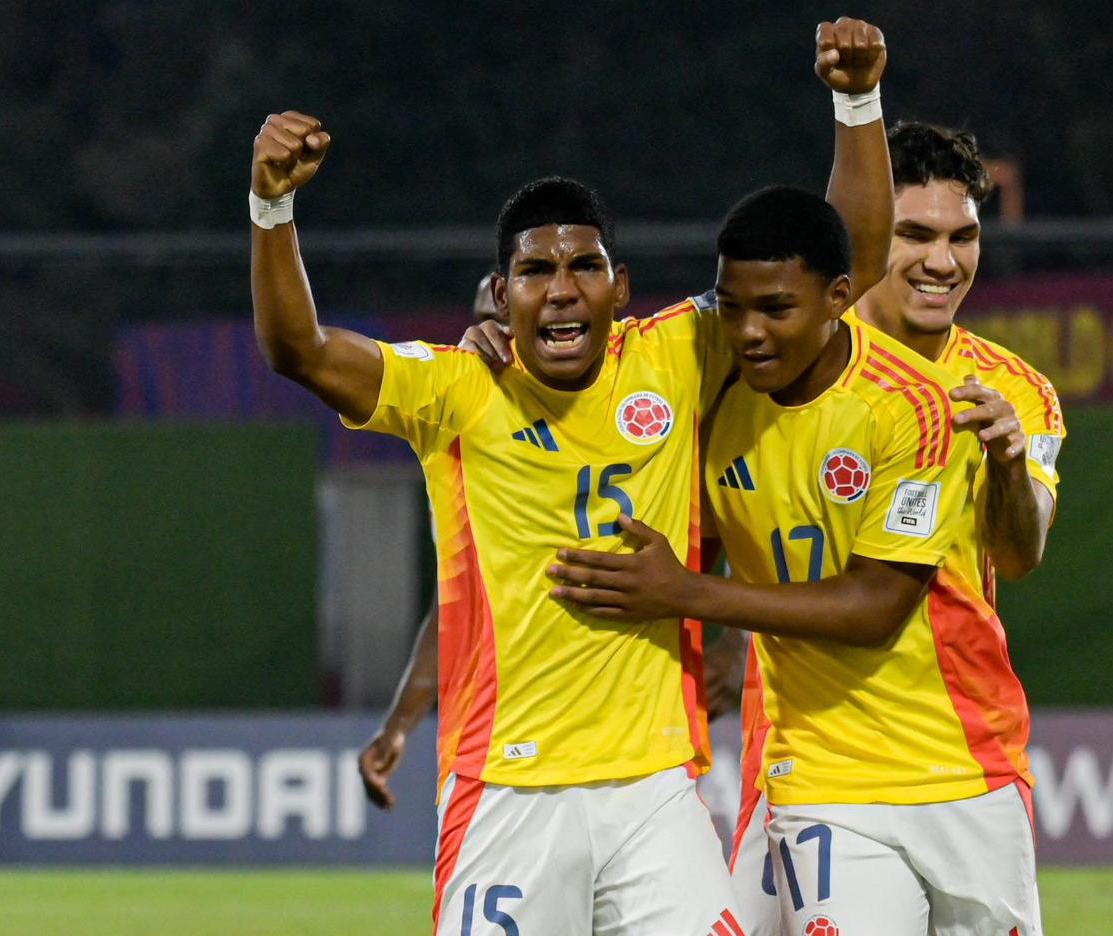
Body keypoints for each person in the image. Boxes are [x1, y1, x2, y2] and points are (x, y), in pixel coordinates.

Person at [249, 18, 891, 934]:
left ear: (619, 287)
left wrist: (856, 99)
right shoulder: (454, 392)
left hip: (658, 794)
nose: (560, 287)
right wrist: (272, 210)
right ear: (501, 294)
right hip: (509, 792)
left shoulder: (678, 355)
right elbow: (297, 349)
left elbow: (849, 265)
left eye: (583, 266)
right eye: (535, 270)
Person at [551, 186, 1046, 933]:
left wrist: (688, 595)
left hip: (965, 765)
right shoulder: (713, 397)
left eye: (774, 310)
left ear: (837, 298)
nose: (747, 332)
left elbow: (878, 608)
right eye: (733, 308)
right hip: (823, 777)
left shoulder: (917, 407)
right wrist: (500, 343)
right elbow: (594, 372)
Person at [356, 271, 505, 813]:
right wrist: (397, 727)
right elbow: (456, 606)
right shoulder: (456, 444)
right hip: (497, 754)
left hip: (634, 760)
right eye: (485, 323)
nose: (492, 339)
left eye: (507, 325)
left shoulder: (621, 411)